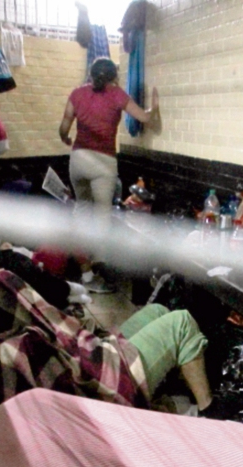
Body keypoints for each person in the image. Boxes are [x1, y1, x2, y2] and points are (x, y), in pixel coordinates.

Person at [58, 57, 158, 293]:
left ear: (91, 75)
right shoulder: (116, 94)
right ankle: (100, 269)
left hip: (78, 159)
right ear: (114, 76)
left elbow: (64, 126)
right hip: (103, 162)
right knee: (102, 217)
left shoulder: (77, 94)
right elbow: (144, 117)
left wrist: (65, 138)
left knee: (82, 212)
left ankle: (86, 274)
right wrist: (155, 106)